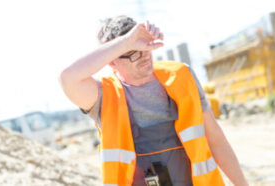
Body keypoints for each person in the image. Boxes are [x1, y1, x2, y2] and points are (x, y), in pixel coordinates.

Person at [59, 15, 248, 186]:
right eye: (133, 51)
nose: (143, 56)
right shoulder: (104, 96)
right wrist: (125, 42)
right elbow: (68, 78)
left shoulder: (181, 76)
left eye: (144, 46)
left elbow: (214, 137)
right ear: (112, 61)